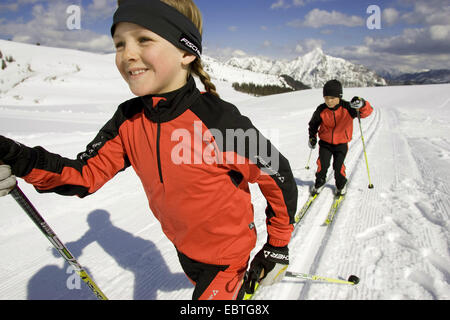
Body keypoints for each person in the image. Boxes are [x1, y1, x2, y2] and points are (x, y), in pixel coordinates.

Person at [0, 0, 297, 300]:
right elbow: (85, 174)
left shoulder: (219, 121)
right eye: (119, 43)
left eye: (144, 39)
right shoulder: (128, 120)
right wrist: (19, 159)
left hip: (227, 257)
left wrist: (278, 246)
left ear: (185, 51)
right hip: (184, 250)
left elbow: (277, 172)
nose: (127, 54)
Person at [308, 79, 373, 196]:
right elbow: (313, 124)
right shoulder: (321, 109)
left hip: (341, 143)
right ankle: (320, 181)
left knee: (338, 166)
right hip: (325, 143)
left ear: (339, 96)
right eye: (326, 98)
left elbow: (366, 112)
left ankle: (341, 184)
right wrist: (312, 137)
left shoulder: (348, 107)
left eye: (332, 98)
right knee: (322, 165)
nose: (329, 101)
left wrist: (362, 104)